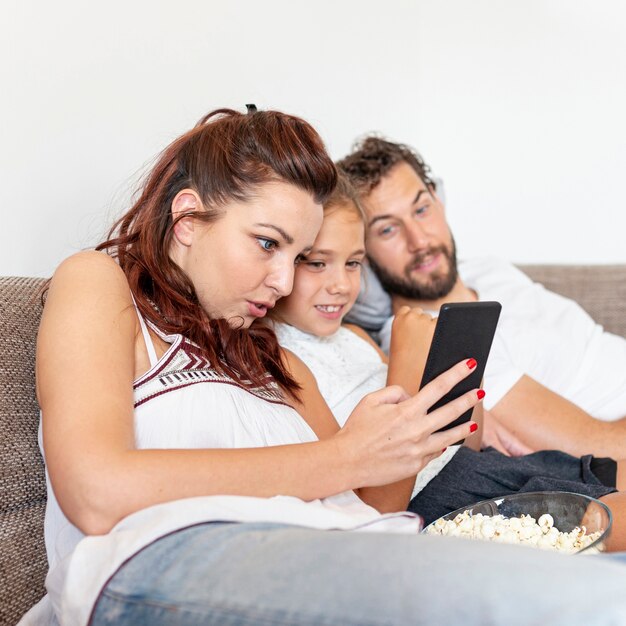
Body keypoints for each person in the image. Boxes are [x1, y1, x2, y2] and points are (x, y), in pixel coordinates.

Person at [22, 107, 626, 626]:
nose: (282, 281)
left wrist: (401, 437)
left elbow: (369, 510)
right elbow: (96, 491)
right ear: (186, 220)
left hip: (358, 547)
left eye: (296, 254)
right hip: (176, 556)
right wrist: (344, 456)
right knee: (574, 601)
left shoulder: (274, 359)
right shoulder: (103, 284)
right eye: (267, 243)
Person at [270, 171, 626, 528]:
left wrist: (464, 373)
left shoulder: (355, 338)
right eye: (317, 263)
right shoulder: (287, 363)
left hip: (481, 466)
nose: (341, 285)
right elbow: (372, 512)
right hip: (444, 497)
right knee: (606, 519)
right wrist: (407, 368)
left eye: (353, 264)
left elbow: (462, 444)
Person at [338, 136, 626, 460]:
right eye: (387, 230)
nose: (419, 240)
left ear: (438, 199)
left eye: (421, 209)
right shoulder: (435, 340)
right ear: (361, 250)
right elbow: (599, 451)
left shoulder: (488, 270)